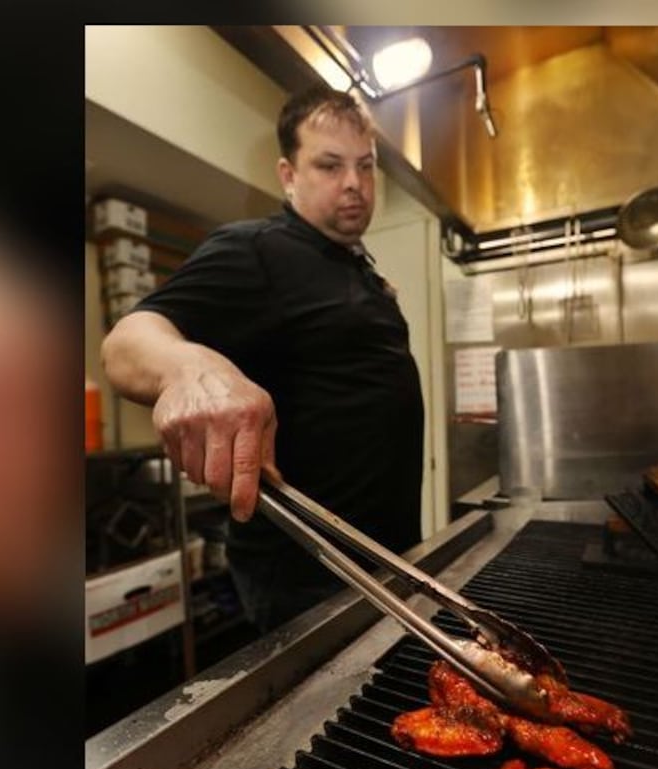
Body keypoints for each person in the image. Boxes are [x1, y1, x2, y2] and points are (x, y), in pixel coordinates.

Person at [101, 85, 424, 634]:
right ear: (288, 174)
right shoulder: (256, 250)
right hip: (307, 576)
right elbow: (125, 343)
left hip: (385, 557)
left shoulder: (357, 266)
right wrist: (192, 367)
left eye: (365, 167)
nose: (354, 183)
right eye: (329, 165)